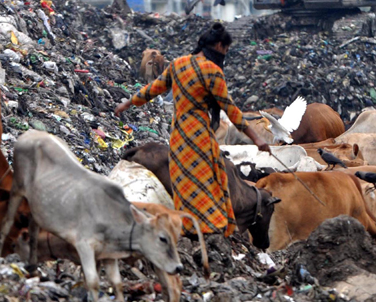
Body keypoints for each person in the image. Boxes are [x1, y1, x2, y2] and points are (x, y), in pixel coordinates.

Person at [114, 23, 270, 237]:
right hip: (200, 137)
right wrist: (257, 138)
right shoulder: (213, 71)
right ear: (218, 45)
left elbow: (152, 89)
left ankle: (187, 226)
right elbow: (231, 109)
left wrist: (127, 103)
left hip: (178, 136)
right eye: (225, 50)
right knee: (208, 183)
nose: (224, 55)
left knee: (184, 183)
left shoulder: (178, 64)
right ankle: (209, 227)